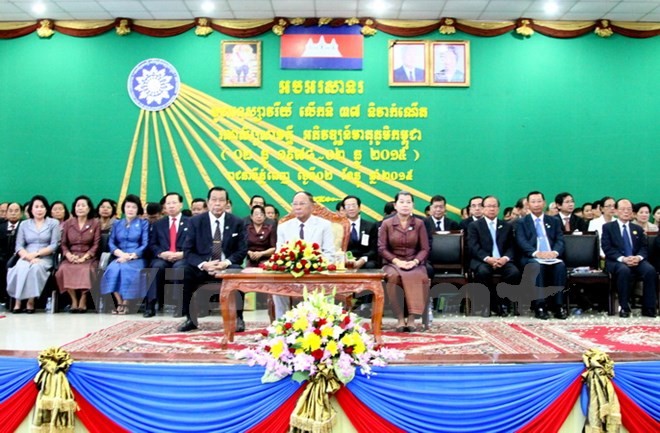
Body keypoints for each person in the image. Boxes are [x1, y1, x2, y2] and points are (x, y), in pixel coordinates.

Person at [178, 187, 247, 332]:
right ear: (207, 202)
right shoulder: (195, 222)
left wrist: (225, 263)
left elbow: (242, 250)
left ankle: (238, 318)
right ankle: (190, 319)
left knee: (239, 274)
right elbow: (188, 251)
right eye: (214, 200)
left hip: (226, 266)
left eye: (221, 200)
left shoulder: (237, 222)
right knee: (183, 271)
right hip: (204, 266)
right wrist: (204, 264)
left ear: (227, 203)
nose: (217, 203)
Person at [274, 191, 336, 318]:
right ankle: (281, 323)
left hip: (316, 273)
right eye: (295, 204)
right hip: (291, 273)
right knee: (277, 286)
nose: (297, 207)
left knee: (328, 284)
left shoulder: (324, 225)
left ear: (312, 206)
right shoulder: (284, 226)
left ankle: (322, 322)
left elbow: (330, 254)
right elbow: (279, 252)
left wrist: (312, 264)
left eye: (302, 204)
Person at [378, 191, 430, 332]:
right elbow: (382, 248)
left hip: (414, 262)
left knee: (420, 276)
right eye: (402, 202)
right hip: (392, 263)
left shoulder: (419, 223)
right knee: (394, 277)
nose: (405, 205)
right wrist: (397, 262)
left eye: (408, 202)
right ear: (395, 205)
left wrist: (415, 262)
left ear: (413, 205)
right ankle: (400, 318)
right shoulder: (387, 224)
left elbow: (425, 248)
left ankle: (412, 318)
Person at [515, 191, 567, 320]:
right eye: (533, 202)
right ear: (528, 204)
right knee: (537, 266)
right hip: (531, 257)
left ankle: (558, 305)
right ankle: (540, 305)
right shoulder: (522, 222)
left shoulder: (553, 221)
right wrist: (536, 253)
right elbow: (521, 241)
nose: (537, 204)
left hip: (551, 257)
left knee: (561, 266)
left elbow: (560, 240)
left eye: (539, 201)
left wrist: (554, 253)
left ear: (544, 203)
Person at [601, 199, 657, 318]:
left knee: (650, 270)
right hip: (617, 261)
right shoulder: (608, 227)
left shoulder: (637, 228)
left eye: (629, 209)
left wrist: (638, 257)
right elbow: (607, 248)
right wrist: (623, 259)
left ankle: (649, 307)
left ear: (632, 212)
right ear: (616, 211)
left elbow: (643, 247)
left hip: (636, 259)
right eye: (622, 209)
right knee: (624, 270)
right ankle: (624, 307)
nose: (626, 212)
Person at [7, 195, 60, 314]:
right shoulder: (24, 224)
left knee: (35, 268)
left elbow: (53, 245)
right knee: (21, 267)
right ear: (31, 209)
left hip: (44, 256)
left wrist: (36, 254)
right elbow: (19, 245)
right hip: (26, 255)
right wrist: (27, 256)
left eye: (42, 207)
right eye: (36, 207)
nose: (39, 209)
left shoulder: (53, 223)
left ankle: (30, 302)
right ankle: (18, 302)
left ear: (46, 209)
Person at [468, 196, 520, 317]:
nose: (491, 209)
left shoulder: (506, 226)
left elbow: (512, 247)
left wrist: (505, 258)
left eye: (494, 206)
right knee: (483, 273)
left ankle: (503, 304)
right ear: (483, 208)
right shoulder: (474, 226)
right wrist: (488, 259)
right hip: (483, 260)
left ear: (498, 208)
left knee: (514, 273)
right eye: (488, 206)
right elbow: (473, 247)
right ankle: (487, 304)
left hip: (503, 260)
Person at [100, 194, 150, 315]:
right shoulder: (117, 224)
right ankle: (120, 302)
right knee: (112, 269)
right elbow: (112, 242)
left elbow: (145, 243)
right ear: (124, 208)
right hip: (120, 256)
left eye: (134, 207)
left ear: (138, 209)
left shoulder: (143, 223)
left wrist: (131, 256)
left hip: (136, 257)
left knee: (127, 269)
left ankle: (127, 303)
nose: (130, 209)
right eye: (128, 206)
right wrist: (121, 254)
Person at [144, 192, 189, 318]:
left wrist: (182, 254)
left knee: (180, 268)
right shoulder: (159, 223)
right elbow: (152, 244)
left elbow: (194, 244)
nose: (171, 206)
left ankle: (179, 305)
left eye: (174, 203)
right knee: (156, 267)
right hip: (163, 257)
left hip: (182, 257)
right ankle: (150, 305)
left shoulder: (190, 222)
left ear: (181, 204)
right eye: (168, 203)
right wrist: (161, 253)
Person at [55, 195, 101, 313]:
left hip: (88, 257)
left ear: (89, 208)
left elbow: (96, 244)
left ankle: (83, 299)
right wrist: (68, 255)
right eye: (78, 205)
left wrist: (85, 257)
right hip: (72, 255)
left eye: (83, 205)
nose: (80, 208)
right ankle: (74, 300)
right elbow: (63, 244)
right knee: (63, 269)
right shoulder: (68, 223)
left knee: (87, 270)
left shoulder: (95, 223)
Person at [0, 202, 23, 308]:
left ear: (21, 213)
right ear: (6, 213)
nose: (13, 213)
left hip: (19, 257)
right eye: (10, 211)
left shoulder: (25, 226)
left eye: (16, 211)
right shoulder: (1, 226)